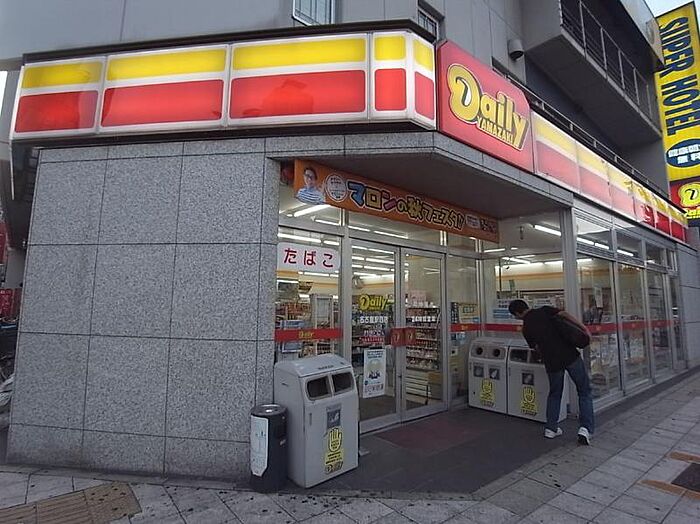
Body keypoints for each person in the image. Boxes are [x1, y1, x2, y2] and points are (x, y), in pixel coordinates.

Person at [508, 299, 594, 445]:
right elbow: (565, 315)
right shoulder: (545, 310)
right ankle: (585, 429)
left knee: (555, 394)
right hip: (570, 356)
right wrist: (584, 328)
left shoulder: (526, 328)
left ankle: (551, 428)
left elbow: (536, 349)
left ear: (517, 313)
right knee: (584, 391)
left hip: (552, 363)